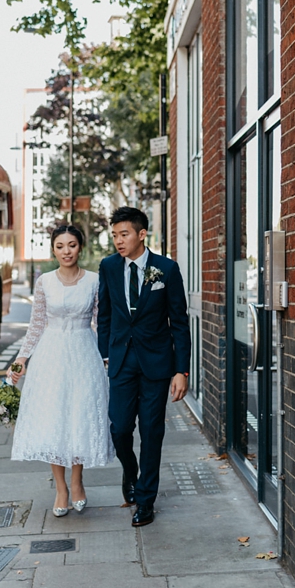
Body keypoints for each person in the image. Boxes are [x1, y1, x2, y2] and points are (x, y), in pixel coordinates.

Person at [8, 224, 114, 517]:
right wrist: (20, 361)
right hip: (50, 356)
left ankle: (77, 482)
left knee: (79, 416)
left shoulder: (94, 280)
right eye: (60, 246)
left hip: (83, 353)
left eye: (71, 245)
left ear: (81, 247)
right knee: (54, 419)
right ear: (53, 249)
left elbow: (100, 323)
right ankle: (60, 488)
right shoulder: (44, 282)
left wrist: (108, 358)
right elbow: (36, 325)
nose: (66, 251)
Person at [97, 206, 191, 527]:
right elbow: (106, 314)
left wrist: (182, 370)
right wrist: (104, 354)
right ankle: (130, 470)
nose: (118, 241)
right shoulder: (109, 267)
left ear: (141, 234)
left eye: (124, 235)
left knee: (152, 432)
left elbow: (179, 322)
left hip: (157, 364)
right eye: (114, 236)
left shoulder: (166, 269)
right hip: (121, 362)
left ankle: (146, 499)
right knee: (120, 428)